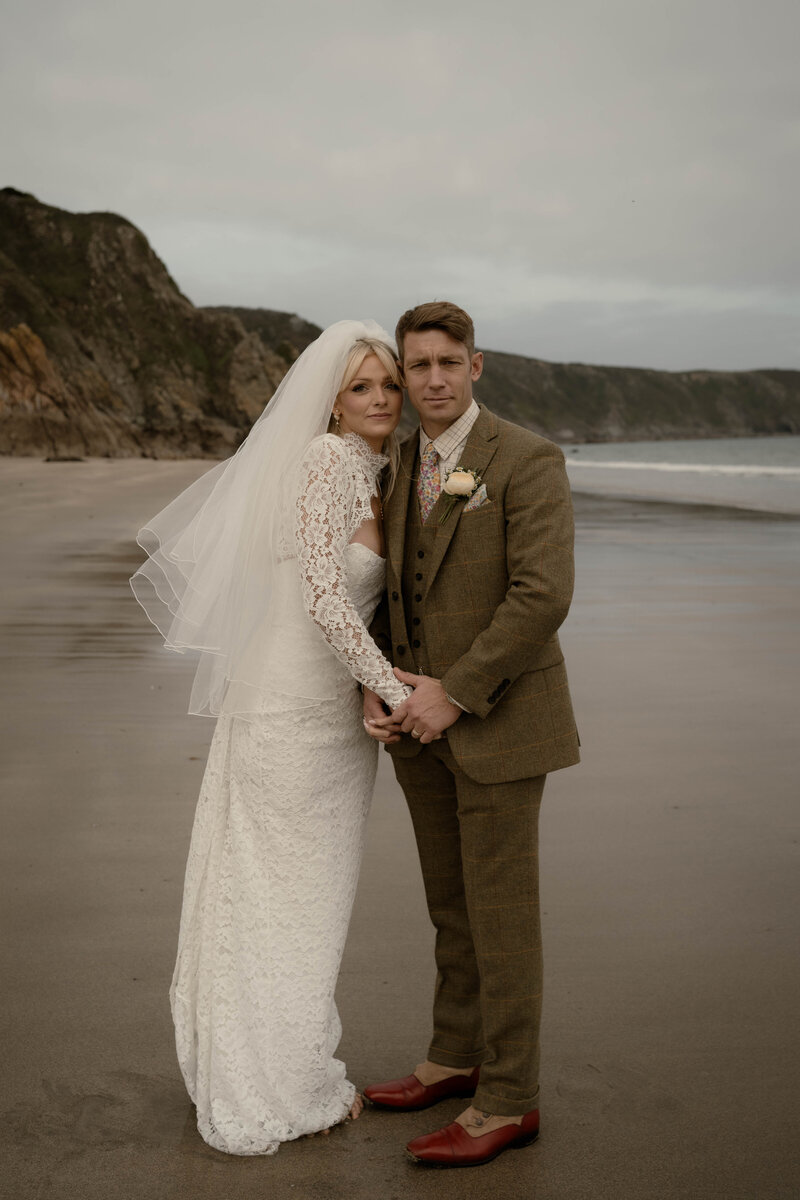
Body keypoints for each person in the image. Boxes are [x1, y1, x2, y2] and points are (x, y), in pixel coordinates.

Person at [130, 320, 411, 1156]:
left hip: (323, 707)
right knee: (291, 896)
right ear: (331, 401)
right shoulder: (328, 462)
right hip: (296, 712)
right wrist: (392, 686)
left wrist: (368, 681)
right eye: (362, 386)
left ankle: (270, 1063)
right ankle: (274, 1084)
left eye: (389, 385)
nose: (382, 399)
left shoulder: (372, 467)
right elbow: (328, 599)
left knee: (296, 896)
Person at [362, 301, 580, 1168]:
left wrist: (455, 691)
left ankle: (510, 1100)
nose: (434, 379)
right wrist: (378, 686)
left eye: (449, 362)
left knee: (502, 917)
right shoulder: (397, 461)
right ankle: (456, 1057)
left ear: (476, 366)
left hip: (497, 721)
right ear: (405, 376)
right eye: (418, 367)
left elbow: (542, 596)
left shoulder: (527, 458)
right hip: (416, 726)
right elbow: (384, 589)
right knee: (450, 908)